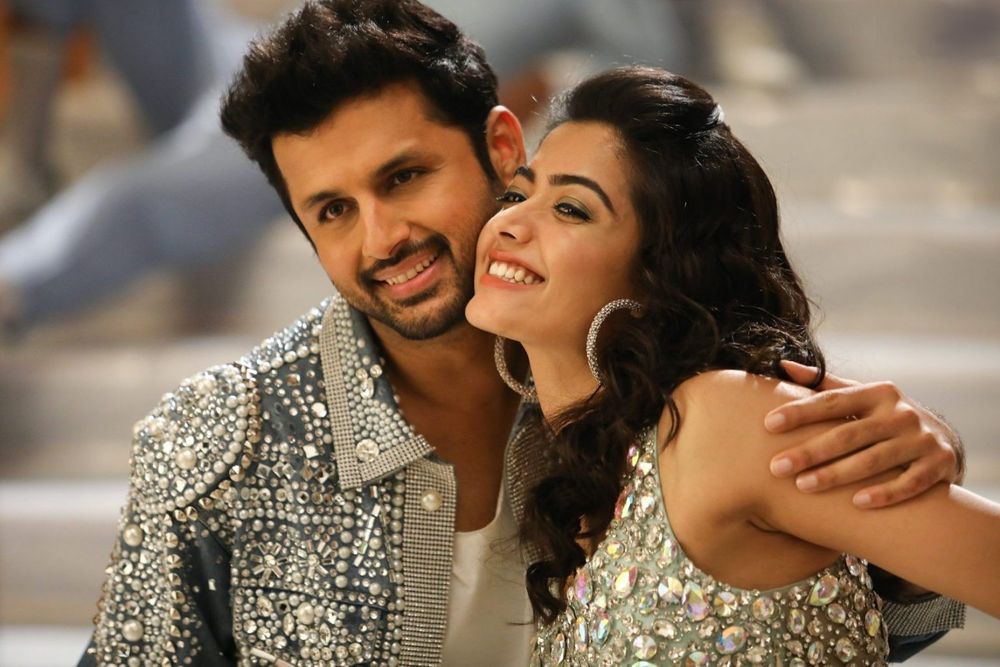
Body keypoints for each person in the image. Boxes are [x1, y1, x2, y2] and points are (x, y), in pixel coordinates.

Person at [79, 2, 966, 665]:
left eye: (406, 176)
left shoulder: (650, 387)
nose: (382, 238)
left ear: (504, 145)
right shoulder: (220, 439)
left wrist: (908, 472)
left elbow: (832, 629)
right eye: (333, 211)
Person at [464, 66, 999, 665]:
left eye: (570, 208)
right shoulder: (578, 469)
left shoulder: (720, 419)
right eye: (517, 195)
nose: (509, 223)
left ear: (658, 273)